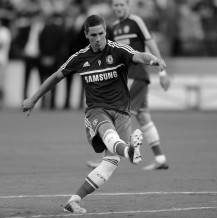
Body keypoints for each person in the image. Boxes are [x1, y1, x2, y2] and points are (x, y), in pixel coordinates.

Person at [22, 15, 166, 214]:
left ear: (105, 32)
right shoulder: (80, 57)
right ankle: (129, 151)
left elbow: (139, 55)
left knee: (109, 165)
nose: (98, 38)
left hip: (122, 113)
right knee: (109, 135)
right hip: (96, 111)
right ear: (86, 35)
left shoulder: (117, 50)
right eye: (94, 35)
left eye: (101, 33)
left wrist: (152, 59)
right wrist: (34, 98)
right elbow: (56, 76)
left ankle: (74, 200)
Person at [86, 0, 171, 170]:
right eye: (115, 5)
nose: (118, 8)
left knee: (118, 115)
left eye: (121, 5)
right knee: (143, 117)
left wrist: (162, 71)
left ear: (128, 6)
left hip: (136, 76)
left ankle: (106, 159)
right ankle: (160, 158)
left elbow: (150, 42)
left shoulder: (136, 21)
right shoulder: (114, 27)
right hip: (126, 78)